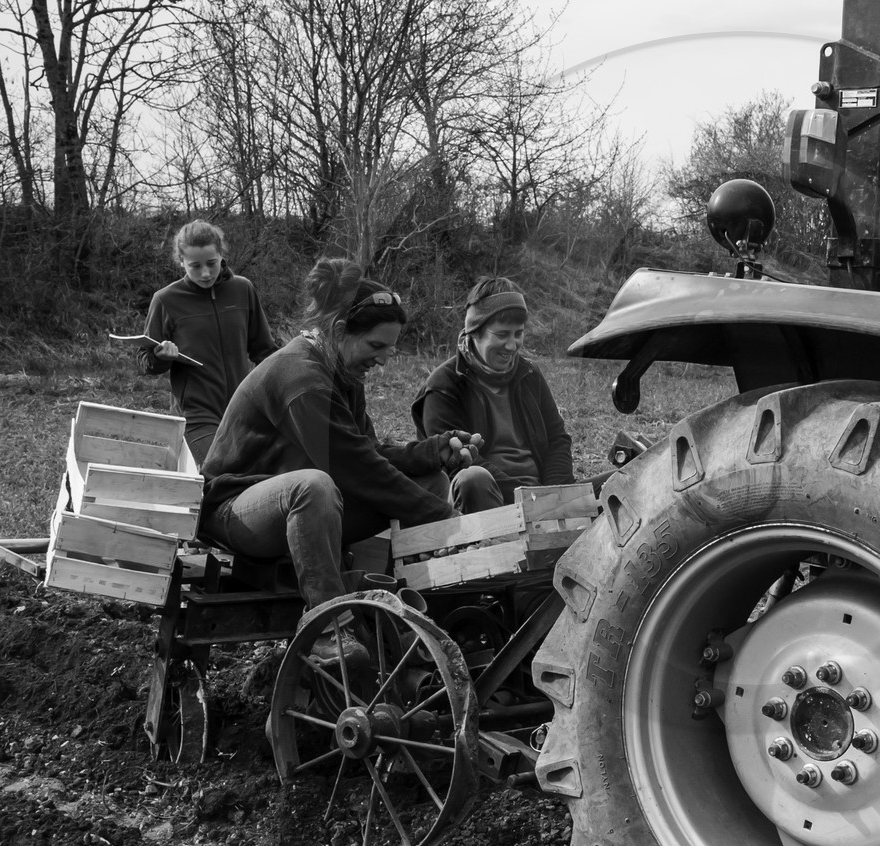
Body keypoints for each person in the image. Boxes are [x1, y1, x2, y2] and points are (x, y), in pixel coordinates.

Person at [199, 259, 479, 663]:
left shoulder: (344, 371)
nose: (383, 359)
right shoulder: (300, 376)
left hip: (304, 505)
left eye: (390, 348)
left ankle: (420, 613)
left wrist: (432, 451)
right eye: (376, 346)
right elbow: (353, 469)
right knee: (312, 485)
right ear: (340, 331)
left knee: (429, 480)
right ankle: (327, 625)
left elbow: (367, 452)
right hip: (237, 510)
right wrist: (447, 520)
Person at [411, 276, 573, 513]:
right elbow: (457, 461)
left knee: (627, 479)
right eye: (502, 334)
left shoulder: (529, 374)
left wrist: (557, 494)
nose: (512, 345)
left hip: (542, 496)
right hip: (485, 497)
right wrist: (532, 500)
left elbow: (557, 439)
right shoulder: (444, 385)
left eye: (518, 333)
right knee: (473, 477)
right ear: (474, 332)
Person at [142, 220, 278, 467]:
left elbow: (264, 351)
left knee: (257, 475)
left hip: (243, 408)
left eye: (211, 263)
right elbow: (145, 359)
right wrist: (161, 357)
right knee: (217, 475)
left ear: (221, 255)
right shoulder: (165, 300)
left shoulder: (242, 289)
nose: (205, 273)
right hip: (196, 414)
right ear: (181, 261)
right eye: (195, 266)